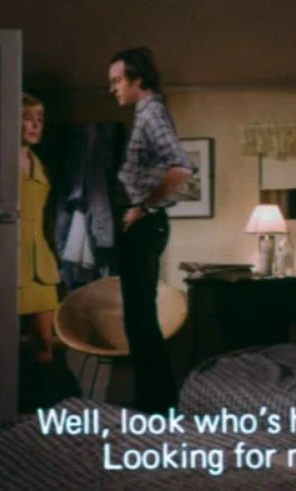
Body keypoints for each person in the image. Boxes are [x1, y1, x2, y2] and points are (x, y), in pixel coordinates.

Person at [108, 46, 195, 414]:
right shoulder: (145, 112)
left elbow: (181, 168)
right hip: (142, 226)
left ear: (137, 80)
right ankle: (154, 403)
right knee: (139, 319)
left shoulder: (151, 112)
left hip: (144, 226)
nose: (112, 88)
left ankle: (156, 407)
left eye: (117, 80)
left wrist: (143, 208)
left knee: (140, 320)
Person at [19, 93, 62, 365]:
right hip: (12, 258)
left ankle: (43, 388)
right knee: (1, 338)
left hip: (40, 262)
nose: (35, 125)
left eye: (40, 119)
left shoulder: (38, 162)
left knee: (45, 340)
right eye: (27, 118)